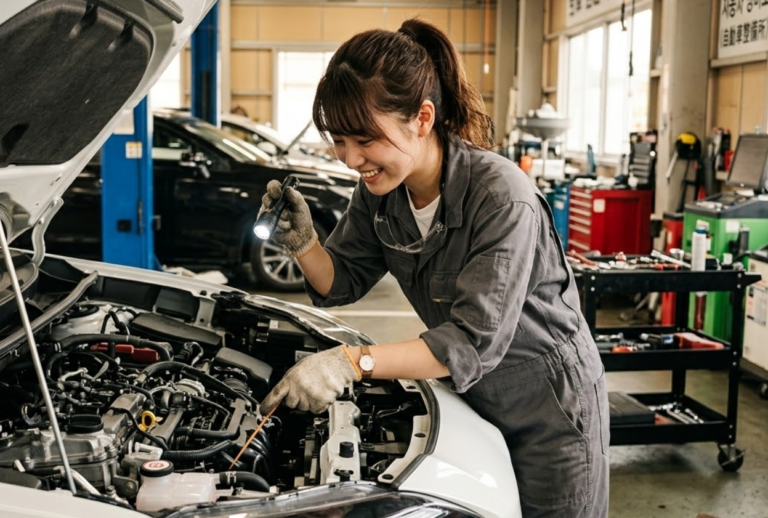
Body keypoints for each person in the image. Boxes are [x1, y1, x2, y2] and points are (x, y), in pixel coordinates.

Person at [258, 18, 609, 518]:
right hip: (475, 395)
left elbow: (469, 342)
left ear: (422, 118)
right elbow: (341, 280)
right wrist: (305, 242)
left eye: (364, 140)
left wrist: (351, 361)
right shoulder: (380, 191)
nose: (351, 159)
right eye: (339, 140)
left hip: (549, 408)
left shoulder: (501, 197)